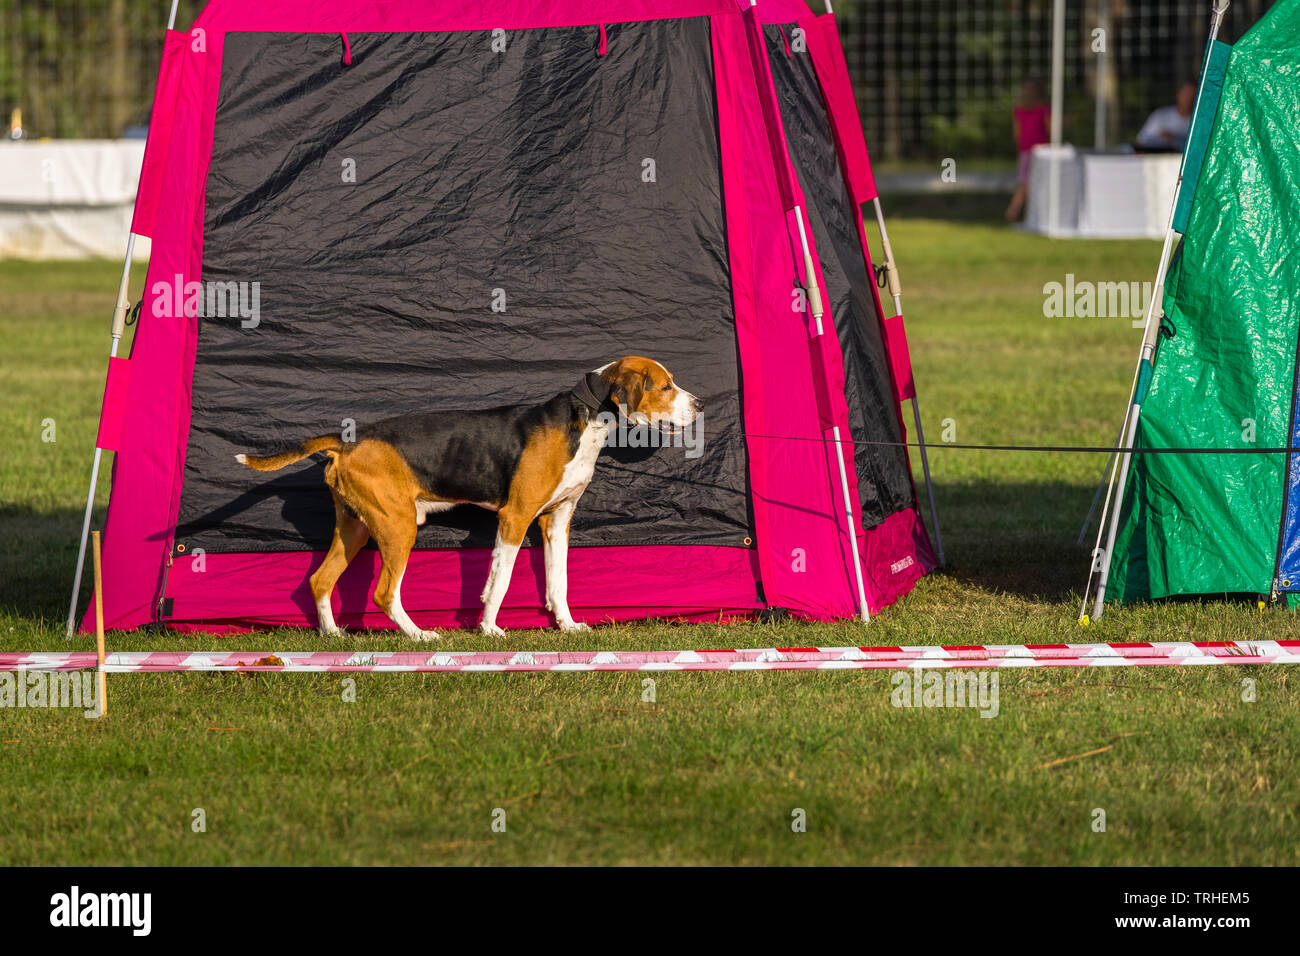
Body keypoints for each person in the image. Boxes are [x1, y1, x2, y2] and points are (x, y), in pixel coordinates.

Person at [1005, 78, 1050, 222]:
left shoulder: (1019, 110)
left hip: (1025, 150)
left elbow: (1017, 134)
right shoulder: (1043, 108)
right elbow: (1050, 129)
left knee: (1025, 183)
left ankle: (1015, 211)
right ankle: (1028, 213)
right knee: (1032, 184)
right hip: (1041, 152)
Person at [1135, 80, 1197, 152]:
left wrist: (1174, 140)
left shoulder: (1199, 123)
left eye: (1192, 95)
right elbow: (1141, 141)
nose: (1188, 98)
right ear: (1179, 95)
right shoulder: (1160, 115)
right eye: (1185, 94)